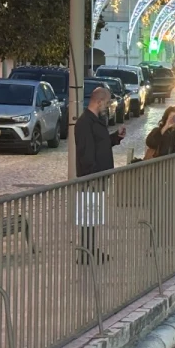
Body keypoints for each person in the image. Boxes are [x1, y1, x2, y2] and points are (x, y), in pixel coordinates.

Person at [74, 86, 125, 264]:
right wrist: (92, 176)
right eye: (107, 102)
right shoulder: (84, 123)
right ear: (99, 101)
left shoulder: (96, 120)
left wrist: (115, 138)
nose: (108, 105)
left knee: (93, 217)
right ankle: (85, 253)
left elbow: (100, 146)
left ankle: (91, 251)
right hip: (91, 179)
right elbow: (86, 153)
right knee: (87, 218)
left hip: (98, 177)